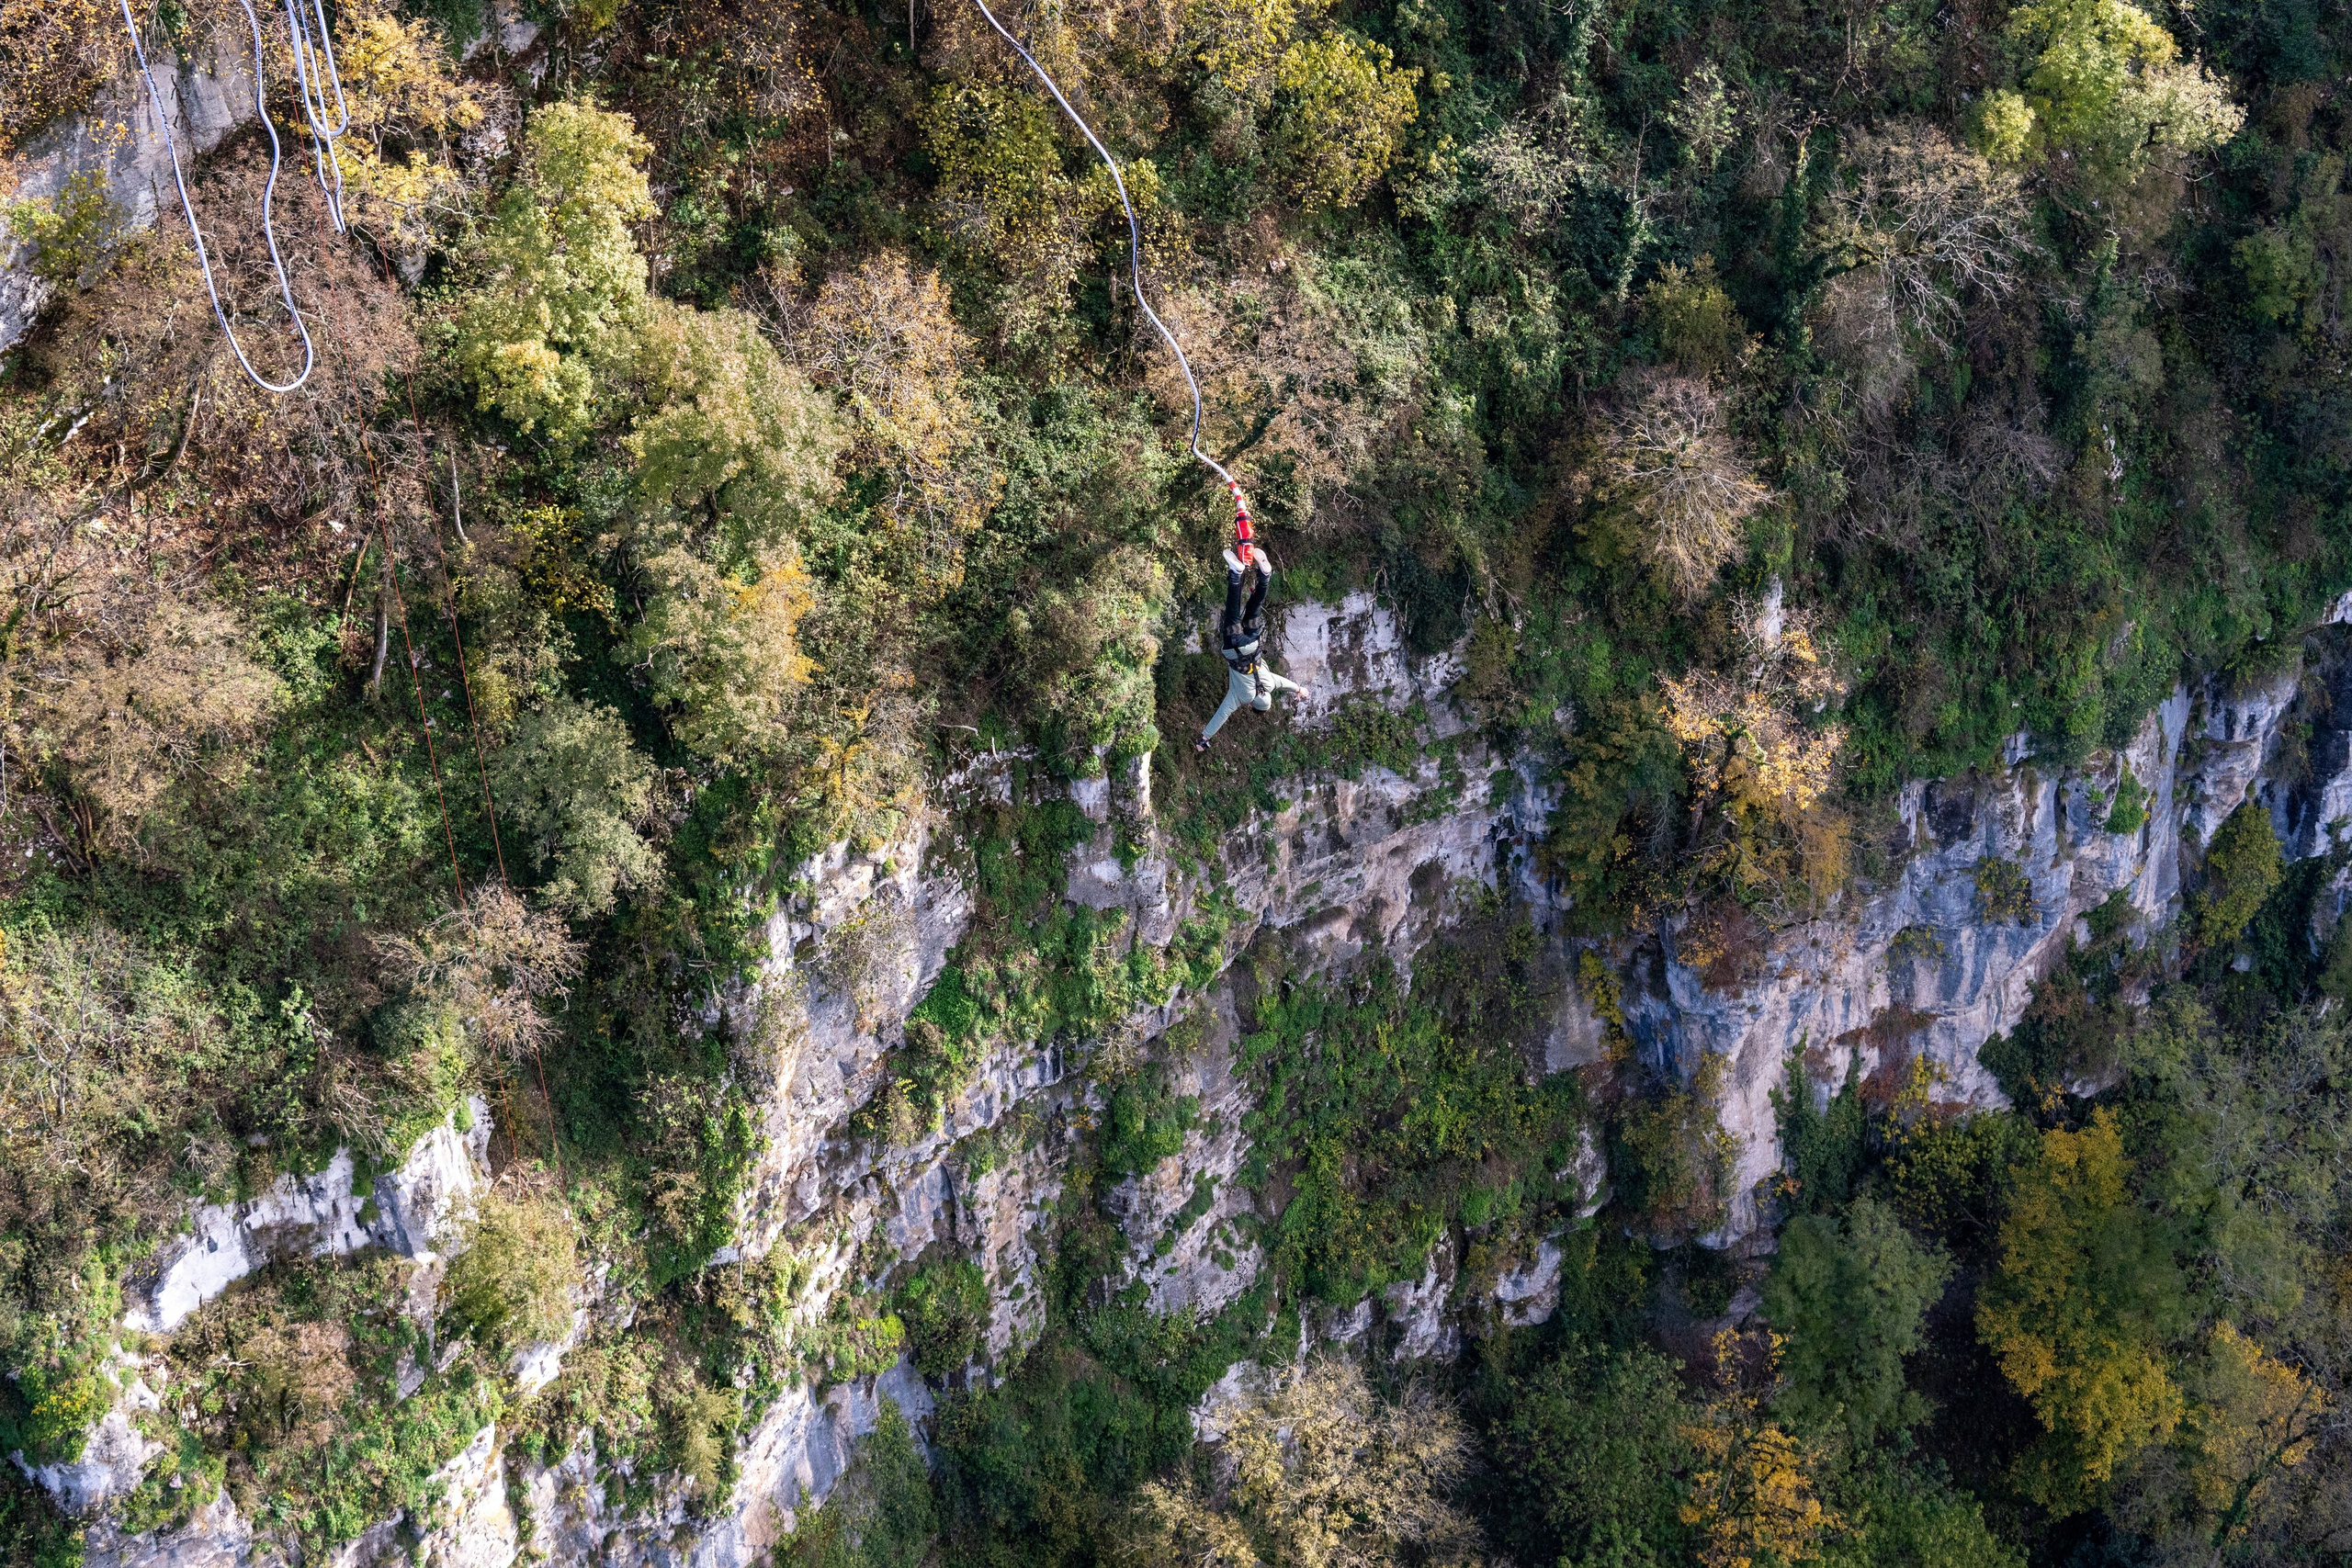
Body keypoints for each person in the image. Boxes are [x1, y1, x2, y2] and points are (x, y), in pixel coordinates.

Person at [1197, 484, 1304, 751]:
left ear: (1266, 697)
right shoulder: (1240, 698)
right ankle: (1235, 574)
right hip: (1235, 646)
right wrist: (1204, 738)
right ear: (1254, 705)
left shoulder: (1271, 684)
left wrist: (1300, 689)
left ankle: (1265, 575)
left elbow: (1287, 684)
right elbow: (1221, 715)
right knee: (1232, 610)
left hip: (1254, 642)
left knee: (1255, 607)